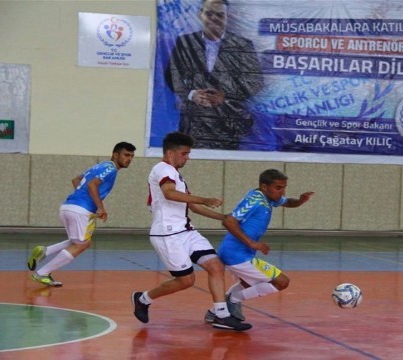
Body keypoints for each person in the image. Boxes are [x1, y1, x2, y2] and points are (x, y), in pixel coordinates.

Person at [131, 131, 251, 331]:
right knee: (186, 281)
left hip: (187, 231)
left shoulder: (176, 174)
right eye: (184, 154)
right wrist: (203, 198)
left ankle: (221, 315)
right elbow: (169, 194)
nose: (188, 158)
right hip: (167, 234)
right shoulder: (162, 169)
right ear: (171, 153)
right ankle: (143, 299)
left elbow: (192, 206)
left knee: (216, 266)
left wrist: (223, 218)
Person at [203, 169, 314, 323]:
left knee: (248, 282)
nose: (282, 192)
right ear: (264, 186)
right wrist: (252, 243)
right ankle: (232, 300)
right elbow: (229, 220)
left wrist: (301, 201)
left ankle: (214, 311)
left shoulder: (268, 197)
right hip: (236, 254)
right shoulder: (255, 201)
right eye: (278, 188)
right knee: (281, 282)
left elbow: (288, 202)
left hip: (240, 253)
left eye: (284, 187)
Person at [27, 142, 137, 286]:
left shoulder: (99, 166)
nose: (129, 159)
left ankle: (45, 251)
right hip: (80, 210)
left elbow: (76, 180)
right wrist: (100, 208)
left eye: (132, 156)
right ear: (116, 155)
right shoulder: (110, 168)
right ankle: (42, 273)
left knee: (77, 241)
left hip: (68, 206)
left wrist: (81, 197)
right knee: (82, 244)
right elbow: (92, 185)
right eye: (126, 155)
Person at [165, 0, 264, 150]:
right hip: (194, 124)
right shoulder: (185, 42)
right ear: (200, 14)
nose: (214, 18)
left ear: (227, 17)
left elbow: (256, 81)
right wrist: (192, 94)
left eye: (220, 14)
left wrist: (226, 95)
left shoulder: (243, 45)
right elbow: (172, 76)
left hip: (228, 124)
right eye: (209, 13)